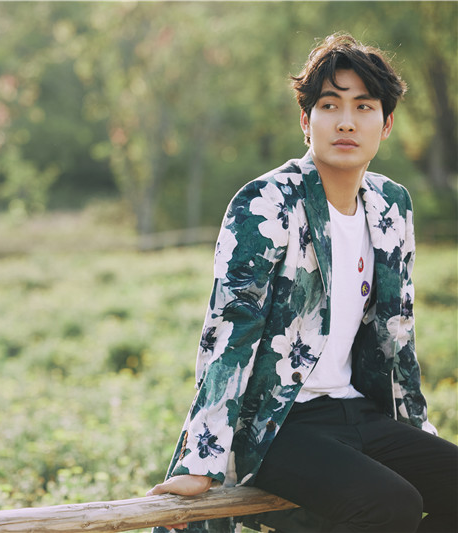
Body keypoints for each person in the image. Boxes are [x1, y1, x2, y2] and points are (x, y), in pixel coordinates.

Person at [147, 33, 458, 533]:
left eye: (364, 106)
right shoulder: (266, 203)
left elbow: (398, 334)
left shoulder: (391, 205)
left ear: (387, 124)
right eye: (330, 105)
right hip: (277, 424)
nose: (346, 122)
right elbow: (230, 333)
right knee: (391, 504)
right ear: (305, 121)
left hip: (359, 410)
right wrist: (198, 463)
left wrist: (417, 434)